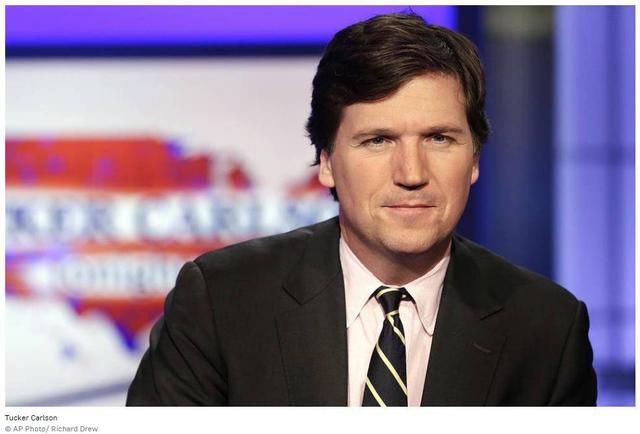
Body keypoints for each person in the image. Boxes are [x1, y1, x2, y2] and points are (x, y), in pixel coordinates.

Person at [127, 12, 597, 406]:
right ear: (327, 162)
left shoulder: (547, 328)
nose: (411, 173)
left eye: (439, 138)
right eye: (377, 140)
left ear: (474, 159)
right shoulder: (220, 301)